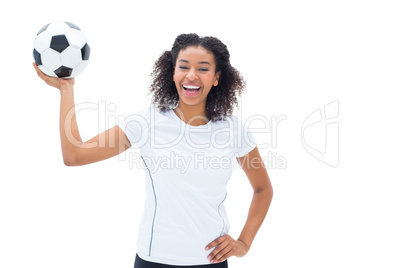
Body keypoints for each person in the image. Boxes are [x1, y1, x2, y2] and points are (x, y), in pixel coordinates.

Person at [33, 33, 273, 268]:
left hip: (211, 261)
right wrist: (66, 89)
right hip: (155, 260)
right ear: (173, 73)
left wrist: (243, 242)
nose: (192, 75)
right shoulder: (145, 123)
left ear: (217, 77)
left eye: (203, 68)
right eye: (183, 66)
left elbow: (263, 189)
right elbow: (75, 155)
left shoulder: (233, 130)